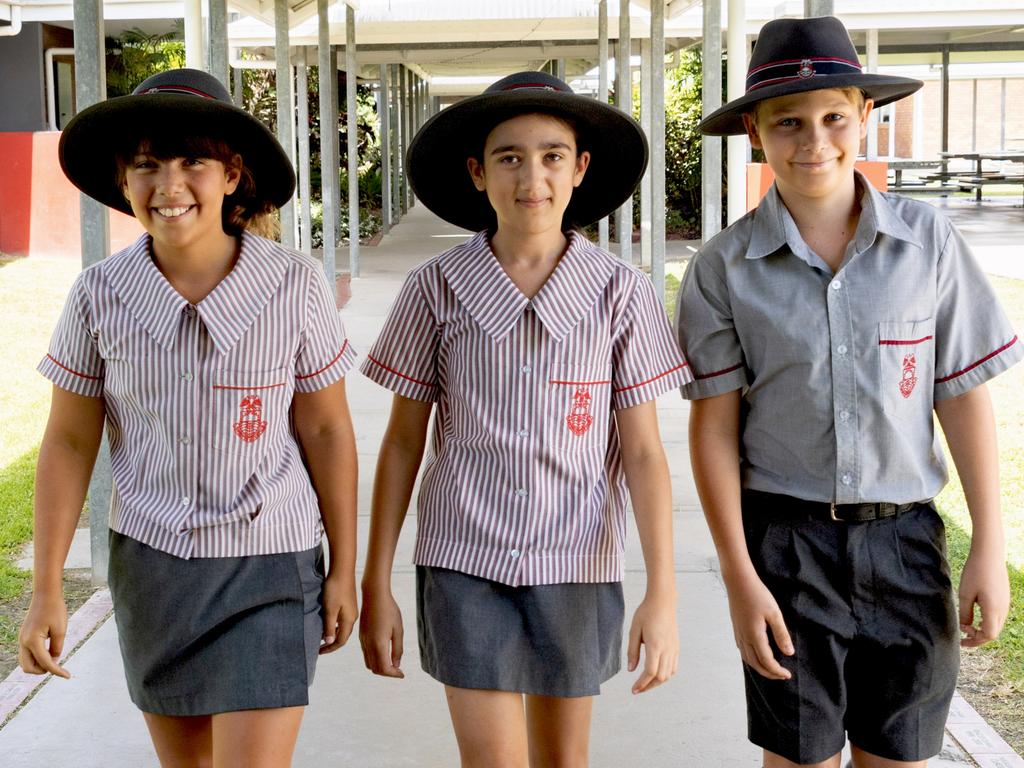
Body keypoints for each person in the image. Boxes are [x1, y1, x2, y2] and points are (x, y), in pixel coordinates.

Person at [677, 16, 1023, 768]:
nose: (815, 141)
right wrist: (740, 577)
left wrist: (988, 548)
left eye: (835, 117)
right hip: (786, 548)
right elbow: (714, 430)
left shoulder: (926, 242)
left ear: (865, 115)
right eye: (788, 122)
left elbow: (960, 395)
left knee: (898, 756)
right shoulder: (723, 269)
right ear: (753, 133)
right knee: (798, 758)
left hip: (906, 546)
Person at [17, 68, 359, 767]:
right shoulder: (98, 296)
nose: (169, 187)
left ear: (232, 174)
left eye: (192, 162)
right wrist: (45, 588)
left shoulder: (293, 284)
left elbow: (326, 429)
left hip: (272, 561)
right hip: (152, 568)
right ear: (123, 180)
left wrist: (344, 568)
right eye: (147, 165)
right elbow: (69, 438)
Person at [358, 71, 689, 767]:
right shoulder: (436, 288)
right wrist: (374, 580)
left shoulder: (619, 295)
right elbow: (400, 445)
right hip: (461, 561)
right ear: (478, 173)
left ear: (580, 169)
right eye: (509, 157)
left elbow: (644, 456)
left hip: (578, 561)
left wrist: (662, 593)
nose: (530, 176)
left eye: (551, 155)